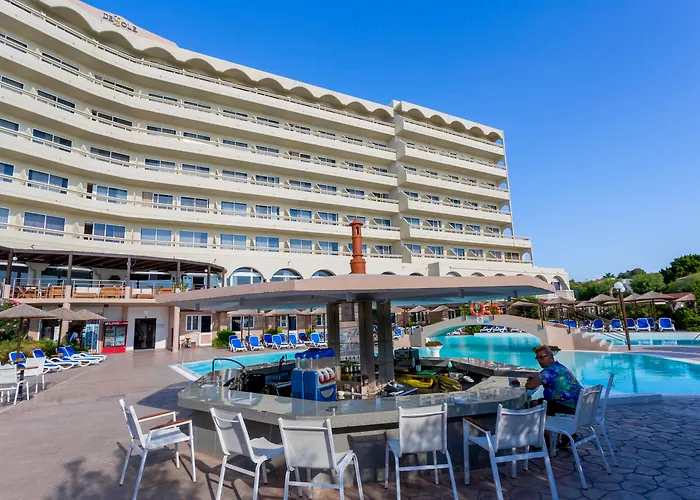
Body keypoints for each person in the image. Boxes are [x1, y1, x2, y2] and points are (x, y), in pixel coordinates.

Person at [525, 345, 582, 416]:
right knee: (543, 401)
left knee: (534, 403)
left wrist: (530, 381)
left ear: (550, 356)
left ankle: (539, 423)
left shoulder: (549, 371)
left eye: (541, 357)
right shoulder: (559, 367)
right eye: (537, 358)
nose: (539, 360)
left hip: (568, 407)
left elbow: (530, 386)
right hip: (578, 405)